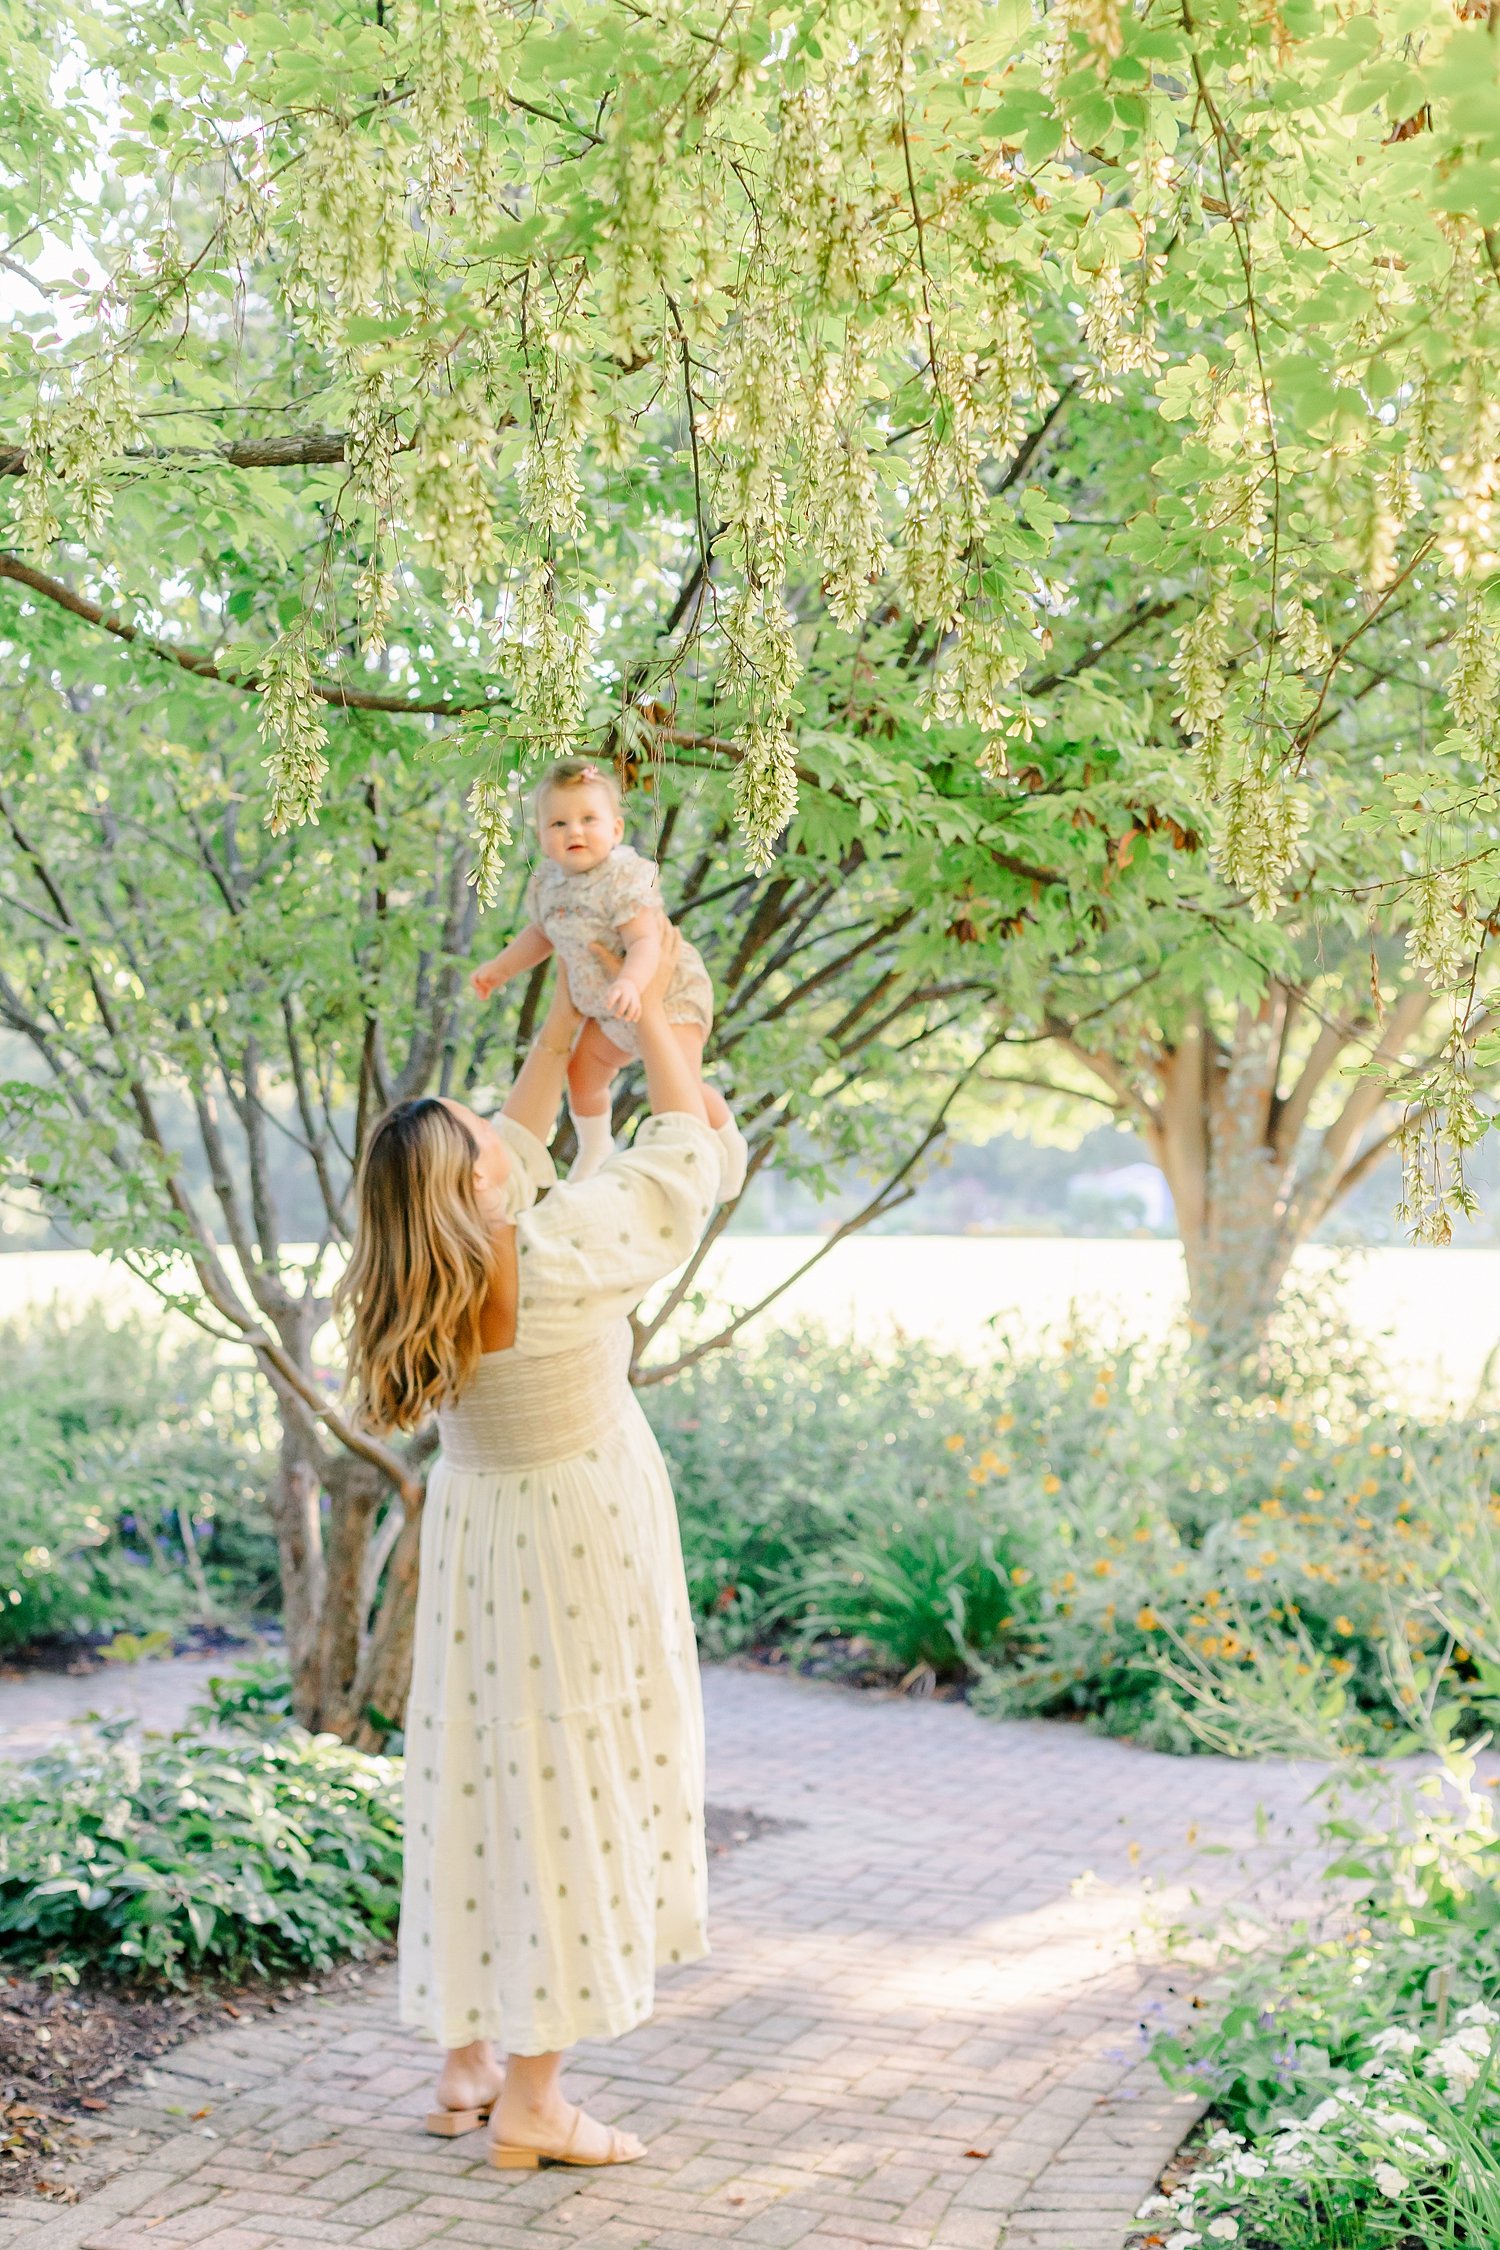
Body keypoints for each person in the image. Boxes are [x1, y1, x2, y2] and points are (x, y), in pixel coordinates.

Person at [337, 925, 745, 2171]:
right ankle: (533, 2101)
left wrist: (574, 1037)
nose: (493, 1132)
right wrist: (658, 1012)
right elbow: (700, 1162)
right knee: (574, 1788)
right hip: (574, 1538)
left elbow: (510, 1150)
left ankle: (467, 2059)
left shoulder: (419, 1276)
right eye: (477, 1137)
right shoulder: (554, 1260)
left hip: (480, 1535)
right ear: (476, 1191)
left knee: (480, 1786)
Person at [470, 757, 728, 1179]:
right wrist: (500, 969)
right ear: (541, 836)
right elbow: (540, 935)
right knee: (582, 1075)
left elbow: (646, 943)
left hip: (665, 995)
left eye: (589, 819)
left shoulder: (621, 877)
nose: (574, 830)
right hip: (606, 1007)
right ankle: (595, 1144)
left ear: (616, 829)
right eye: (558, 824)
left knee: (681, 1080)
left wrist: (630, 982)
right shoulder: (548, 885)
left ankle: (726, 1141)